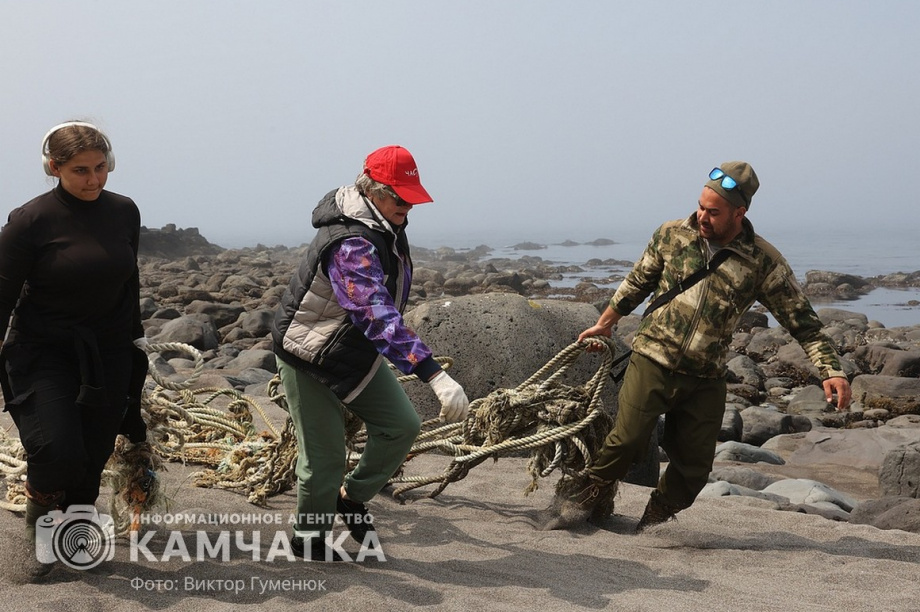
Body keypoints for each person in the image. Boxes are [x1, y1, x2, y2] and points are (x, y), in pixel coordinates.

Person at [547, 161, 852, 532]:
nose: (702, 217)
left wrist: (831, 370)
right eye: (700, 206)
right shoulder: (671, 234)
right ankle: (580, 499)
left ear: (739, 213)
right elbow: (637, 283)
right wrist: (605, 323)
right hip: (652, 358)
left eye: (713, 212)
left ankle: (653, 522)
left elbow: (802, 321)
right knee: (626, 442)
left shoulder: (763, 261)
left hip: (706, 376)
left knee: (694, 470)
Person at [272, 145, 470, 561]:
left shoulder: (386, 221)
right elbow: (372, 311)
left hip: (351, 350)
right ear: (372, 189)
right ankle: (308, 542)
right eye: (400, 197)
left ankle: (352, 497)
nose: (407, 207)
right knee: (324, 461)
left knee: (401, 426)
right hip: (308, 353)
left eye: (411, 198)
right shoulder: (349, 243)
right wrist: (433, 373)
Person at [0, 121, 147, 576]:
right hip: (42, 350)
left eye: (101, 167)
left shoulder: (124, 211)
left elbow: (129, 281)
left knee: (93, 452)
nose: (93, 179)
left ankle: (76, 532)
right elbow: (2, 294)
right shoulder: (30, 220)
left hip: (110, 351)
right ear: (54, 167)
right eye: (80, 170)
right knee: (55, 448)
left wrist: (136, 340)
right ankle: (39, 531)